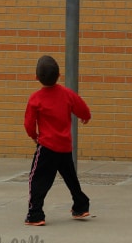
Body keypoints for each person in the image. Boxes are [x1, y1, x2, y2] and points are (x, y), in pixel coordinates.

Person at [24, 55, 92, 226]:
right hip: (65, 146)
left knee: (37, 179)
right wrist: (85, 117)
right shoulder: (67, 94)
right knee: (70, 177)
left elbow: (29, 123)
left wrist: (33, 135)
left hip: (47, 147)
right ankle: (81, 205)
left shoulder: (35, 98)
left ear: (36, 77)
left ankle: (35, 214)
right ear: (59, 75)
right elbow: (82, 108)